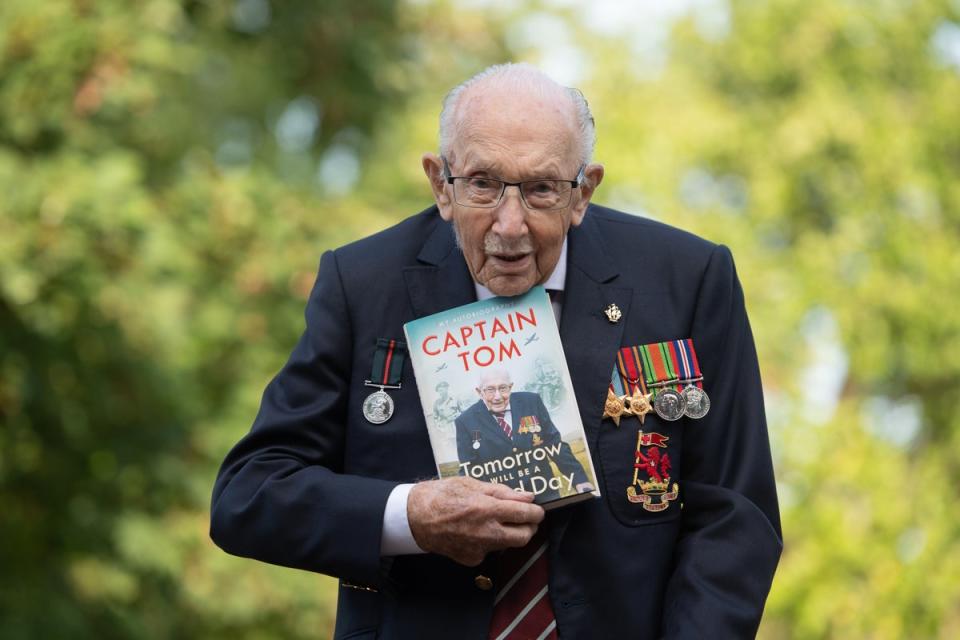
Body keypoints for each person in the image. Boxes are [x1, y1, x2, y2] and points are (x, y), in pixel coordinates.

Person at [210, 63, 782, 639]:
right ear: (441, 184)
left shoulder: (686, 279)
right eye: (482, 184)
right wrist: (410, 516)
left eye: (541, 190)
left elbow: (735, 516)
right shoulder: (363, 284)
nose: (510, 226)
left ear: (582, 192)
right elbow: (249, 494)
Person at [455, 369, 591, 501]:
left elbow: (554, 444)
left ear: (510, 386)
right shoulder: (465, 421)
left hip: (545, 491)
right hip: (504, 501)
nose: (497, 397)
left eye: (503, 388)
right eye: (490, 390)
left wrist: (580, 480)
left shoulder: (532, 402)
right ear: (479, 392)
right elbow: (470, 468)